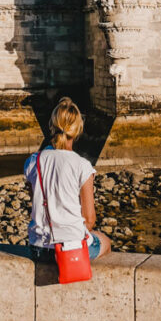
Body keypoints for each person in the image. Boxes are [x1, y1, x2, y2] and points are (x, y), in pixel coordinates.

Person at [24, 97, 111, 264]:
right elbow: (89, 220)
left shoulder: (33, 162)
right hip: (69, 250)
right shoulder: (82, 166)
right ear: (78, 130)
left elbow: (37, 202)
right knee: (105, 241)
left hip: (39, 248)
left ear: (51, 126)